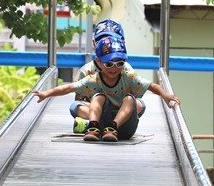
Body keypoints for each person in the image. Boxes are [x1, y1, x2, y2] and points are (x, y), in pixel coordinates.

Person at [33, 36, 180, 142]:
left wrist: (165, 96)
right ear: (98, 62)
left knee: (130, 99)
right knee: (98, 96)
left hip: (125, 127)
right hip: (103, 122)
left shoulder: (128, 76)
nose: (115, 68)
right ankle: (94, 127)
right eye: (109, 64)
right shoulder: (93, 79)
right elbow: (69, 88)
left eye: (120, 63)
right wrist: (46, 93)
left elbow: (151, 86)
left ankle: (112, 127)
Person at [71, 19, 133, 132]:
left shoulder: (125, 68)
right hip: (95, 111)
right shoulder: (86, 71)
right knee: (75, 106)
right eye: (102, 41)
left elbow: (131, 97)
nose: (107, 45)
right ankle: (100, 123)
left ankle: (98, 124)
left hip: (118, 110)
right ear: (95, 43)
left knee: (139, 105)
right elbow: (80, 98)